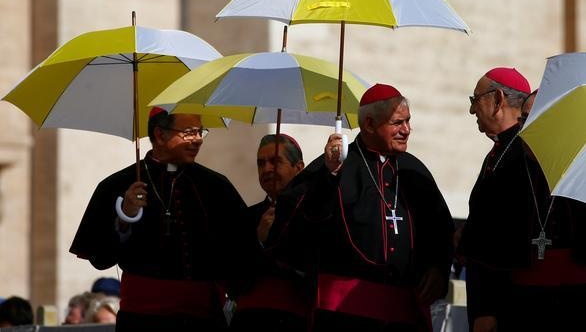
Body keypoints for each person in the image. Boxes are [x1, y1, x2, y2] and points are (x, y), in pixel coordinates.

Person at [289, 83, 454, 332]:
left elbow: (441, 231)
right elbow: (303, 222)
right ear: (369, 124)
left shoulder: (414, 170)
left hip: (404, 315)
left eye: (408, 121)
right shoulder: (334, 167)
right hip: (345, 317)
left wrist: (438, 269)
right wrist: (329, 175)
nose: (407, 130)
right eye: (397, 123)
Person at [69, 107, 247, 331]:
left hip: (204, 320)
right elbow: (100, 258)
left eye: (201, 131)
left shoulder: (216, 186)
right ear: (160, 135)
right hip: (143, 320)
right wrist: (125, 216)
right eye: (189, 132)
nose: (199, 139)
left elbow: (241, 252)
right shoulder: (117, 185)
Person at [457, 68, 586, 332]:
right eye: (523, 120)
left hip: (580, 303)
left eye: (530, 121)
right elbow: (491, 240)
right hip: (522, 303)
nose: (524, 129)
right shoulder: (509, 161)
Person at [229, 133, 307, 331]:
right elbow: (233, 277)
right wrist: (259, 240)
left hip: (298, 322)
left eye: (275, 161)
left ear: (299, 168)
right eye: (261, 163)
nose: (267, 169)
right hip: (251, 321)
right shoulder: (245, 216)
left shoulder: (312, 216)